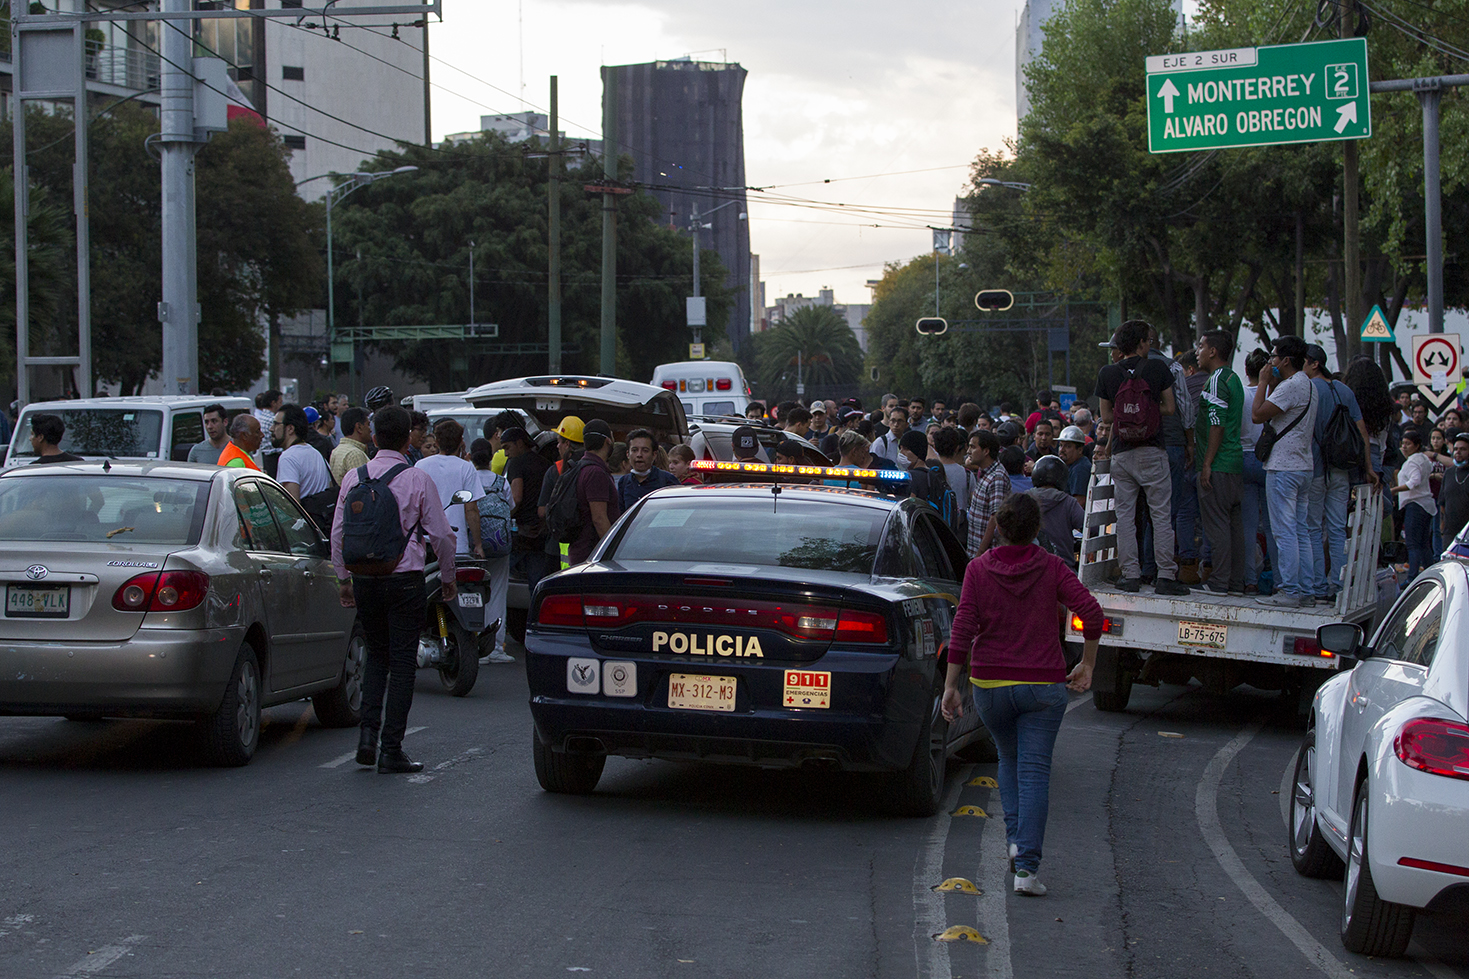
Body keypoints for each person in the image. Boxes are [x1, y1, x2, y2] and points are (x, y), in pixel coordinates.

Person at [940, 493, 1101, 897]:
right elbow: (1093, 613)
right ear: (1038, 529)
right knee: (1034, 771)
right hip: (1043, 687)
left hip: (990, 687)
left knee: (1007, 761)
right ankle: (1027, 867)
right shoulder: (1051, 567)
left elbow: (962, 628)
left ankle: (1015, 841)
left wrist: (951, 686)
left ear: (999, 525)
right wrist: (1087, 663)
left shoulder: (977, 570)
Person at [331, 405, 457, 775]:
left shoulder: (354, 478)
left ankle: (366, 738)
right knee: (403, 664)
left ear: (373, 436)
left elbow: (338, 534)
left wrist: (343, 579)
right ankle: (391, 749)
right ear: (407, 439)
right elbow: (442, 536)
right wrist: (448, 577)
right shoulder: (416, 479)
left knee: (377, 656)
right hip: (405, 580)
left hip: (365, 580)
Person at [1095, 320, 1188, 595]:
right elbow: (1171, 408)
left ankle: (1130, 575)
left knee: (1125, 515)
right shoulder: (1158, 368)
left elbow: (1107, 417)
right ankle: (1165, 576)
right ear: (1142, 343)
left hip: (1123, 454)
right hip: (1153, 451)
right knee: (1160, 515)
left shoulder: (1108, 373)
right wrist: (1149, 412)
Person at [1303, 344, 1377, 600]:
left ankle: (1317, 587)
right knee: (1336, 528)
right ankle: (1338, 584)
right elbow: (1363, 433)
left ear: (1313, 363)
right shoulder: (1344, 390)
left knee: (1313, 527)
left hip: (1313, 468)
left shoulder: (1309, 389)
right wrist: (1368, 467)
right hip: (1341, 470)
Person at [1252, 334, 1317, 607]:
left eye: (1274, 356)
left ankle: (1289, 590)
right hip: (1303, 466)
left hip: (1283, 467)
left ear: (1286, 360)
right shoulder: (1308, 384)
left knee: (1284, 531)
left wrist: (1264, 381)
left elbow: (1257, 414)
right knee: (1300, 530)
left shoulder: (1290, 386)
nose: (1271, 361)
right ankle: (1307, 589)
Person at [1194, 330, 1246, 595]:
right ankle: (1236, 582)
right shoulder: (1234, 379)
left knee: (1217, 528)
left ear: (1213, 351)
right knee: (1234, 528)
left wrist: (1206, 463)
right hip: (1235, 464)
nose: (1197, 351)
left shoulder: (1215, 380)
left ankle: (1219, 582)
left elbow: (1217, 423)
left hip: (1219, 465)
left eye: (1201, 346)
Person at [468, 439, 514, 663]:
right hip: (498, 545)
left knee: (472, 593)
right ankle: (495, 647)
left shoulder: (467, 479)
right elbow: (511, 507)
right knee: (497, 592)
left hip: (472, 545)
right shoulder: (501, 482)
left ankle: (474, 644)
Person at [415, 418, 485, 559]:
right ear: (461, 441)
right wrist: (478, 544)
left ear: (437, 442)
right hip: (456, 542)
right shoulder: (466, 467)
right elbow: (471, 509)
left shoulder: (420, 466)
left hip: (426, 541)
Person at [501, 427, 554, 599]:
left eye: (507, 447)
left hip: (521, 533)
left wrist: (504, 518)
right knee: (537, 583)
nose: (506, 453)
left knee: (499, 574)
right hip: (541, 532)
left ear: (519, 443)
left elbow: (516, 498)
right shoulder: (545, 463)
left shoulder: (516, 463)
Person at [1240, 349, 1273, 593]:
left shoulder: (1239, 394)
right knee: (1273, 526)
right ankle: (1280, 580)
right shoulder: (1274, 395)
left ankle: (1249, 579)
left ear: (1246, 370)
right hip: (1268, 460)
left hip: (1243, 458)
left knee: (1248, 526)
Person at [570, 419, 621, 565]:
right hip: (592, 555)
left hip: (583, 552)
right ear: (608, 441)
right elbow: (599, 519)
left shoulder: (582, 467)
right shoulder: (595, 472)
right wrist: (613, 550)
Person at [1390, 429, 1436, 583]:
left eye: (1408, 444)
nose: (1404, 447)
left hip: (1415, 504)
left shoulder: (1413, 461)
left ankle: (1412, 578)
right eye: (1403, 443)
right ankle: (1430, 574)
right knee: (1423, 544)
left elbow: (1413, 481)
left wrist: (1394, 490)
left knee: (1413, 544)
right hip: (1425, 504)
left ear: (1416, 445)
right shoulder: (1422, 459)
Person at [1028, 455, 1084, 565]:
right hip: (1063, 567)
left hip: (1029, 567)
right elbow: (1090, 528)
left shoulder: (1023, 499)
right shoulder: (1068, 502)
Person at [273, 404, 333, 502]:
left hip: (305, 516)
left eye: (276, 424)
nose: (272, 428)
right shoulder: (316, 453)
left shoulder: (288, 458)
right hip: (322, 516)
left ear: (290, 429)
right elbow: (329, 485)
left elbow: (292, 506)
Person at [966, 429, 1010, 558]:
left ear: (986, 451)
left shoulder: (997, 477)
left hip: (988, 556)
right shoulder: (986, 473)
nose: (968, 451)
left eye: (973, 447)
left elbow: (995, 518)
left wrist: (980, 553)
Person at [618, 428, 680, 510]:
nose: (639, 455)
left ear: (654, 455)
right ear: (628, 454)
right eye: (634, 450)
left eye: (645, 450)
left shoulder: (668, 480)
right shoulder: (623, 482)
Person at [330, 407, 372, 485]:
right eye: (368, 425)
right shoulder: (355, 454)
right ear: (359, 427)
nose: (370, 430)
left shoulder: (337, 450)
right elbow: (361, 491)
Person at [1440, 432, 1469, 546]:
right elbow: (1442, 503)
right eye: (1456, 448)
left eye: (1463, 449)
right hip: (1450, 533)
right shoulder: (1449, 473)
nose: (1458, 452)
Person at [1056, 425, 1091, 506]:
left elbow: (1079, 502)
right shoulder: (1070, 465)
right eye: (1061, 445)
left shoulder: (1080, 469)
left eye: (1068, 446)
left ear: (1079, 450)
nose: (1062, 450)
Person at [253, 389, 283, 477]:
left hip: (266, 458)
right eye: (280, 402)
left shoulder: (262, 417)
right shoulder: (273, 420)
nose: (281, 405)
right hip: (274, 457)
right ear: (273, 403)